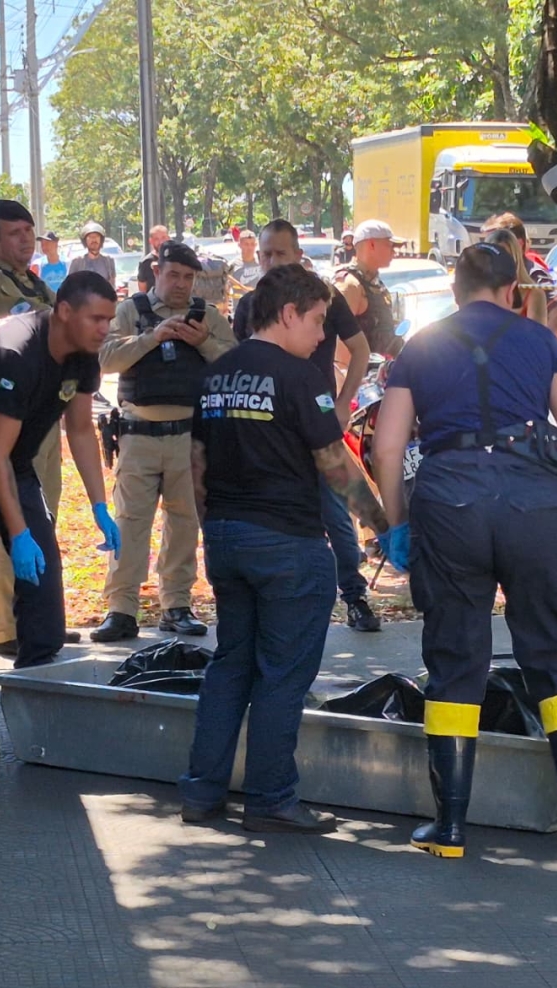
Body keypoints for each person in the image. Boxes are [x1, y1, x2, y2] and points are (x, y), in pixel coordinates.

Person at [371, 242, 557, 858]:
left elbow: (388, 448)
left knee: (455, 659)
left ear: (456, 286)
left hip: (450, 503)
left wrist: (397, 523)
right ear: (514, 289)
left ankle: (451, 828)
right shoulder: (539, 339)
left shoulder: (423, 346)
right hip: (535, 506)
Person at [178, 264, 390, 833]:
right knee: (282, 675)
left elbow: (197, 463)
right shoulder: (301, 380)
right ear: (289, 314)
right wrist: (380, 523)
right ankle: (272, 796)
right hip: (288, 545)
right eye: (318, 320)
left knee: (230, 667)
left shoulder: (218, 373)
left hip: (227, 537)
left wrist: (213, 527)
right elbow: (334, 464)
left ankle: (201, 792)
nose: (323, 336)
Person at [0, 272, 121, 755]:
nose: (104, 329)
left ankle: (36, 694)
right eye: (96, 318)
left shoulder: (83, 353)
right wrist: (17, 534)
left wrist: (99, 504)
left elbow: (79, 430)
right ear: (64, 313)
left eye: (109, 320)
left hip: (13, 462)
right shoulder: (16, 348)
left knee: (45, 587)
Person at [234, 218, 382, 632]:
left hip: (317, 426)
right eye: (265, 254)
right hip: (266, 433)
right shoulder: (249, 306)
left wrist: (341, 403)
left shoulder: (325, 298)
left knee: (336, 513)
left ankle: (354, 596)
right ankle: (279, 602)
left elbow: (360, 349)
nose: (270, 262)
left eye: (280, 253)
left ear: (299, 255)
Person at [91, 241, 235, 643]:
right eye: (174, 275)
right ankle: (121, 610)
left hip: (189, 436)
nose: (181, 284)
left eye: (189, 277)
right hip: (139, 434)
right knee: (131, 523)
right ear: (157, 271)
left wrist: (202, 341)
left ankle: (177, 605)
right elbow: (104, 358)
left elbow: (236, 364)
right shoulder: (130, 312)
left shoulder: (205, 316)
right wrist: (152, 338)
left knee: (185, 524)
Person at [0, 199, 79, 659]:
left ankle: (39, 619)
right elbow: (42, 331)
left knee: (42, 522)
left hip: (40, 419)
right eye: (14, 233)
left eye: (29, 231)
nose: (25, 240)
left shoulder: (33, 283)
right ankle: (7, 626)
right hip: (7, 421)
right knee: (15, 527)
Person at [482, 212, 557, 340]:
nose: (490, 251)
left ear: (518, 243)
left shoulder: (534, 275)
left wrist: (542, 349)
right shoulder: (487, 279)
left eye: (496, 244)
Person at [333, 218, 403, 359]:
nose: (393, 252)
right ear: (371, 244)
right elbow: (339, 346)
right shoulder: (350, 285)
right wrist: (349, 379)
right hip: (363, 377)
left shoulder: (374, 282)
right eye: (389, 245)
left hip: (380, 373)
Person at [484, 227, 547, 325]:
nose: (500, 263)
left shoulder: (533, 294)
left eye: (506, 257)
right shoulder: (479, 292)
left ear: (516, 259)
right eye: (494, 258)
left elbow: (537, 338)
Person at [136, 224, 170, 294]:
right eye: (156, 239)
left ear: (168, 238)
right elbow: (142, 291)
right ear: (151, 241)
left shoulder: (176, 259)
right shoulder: (145, 263)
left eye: (163, 238)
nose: (161, 242)